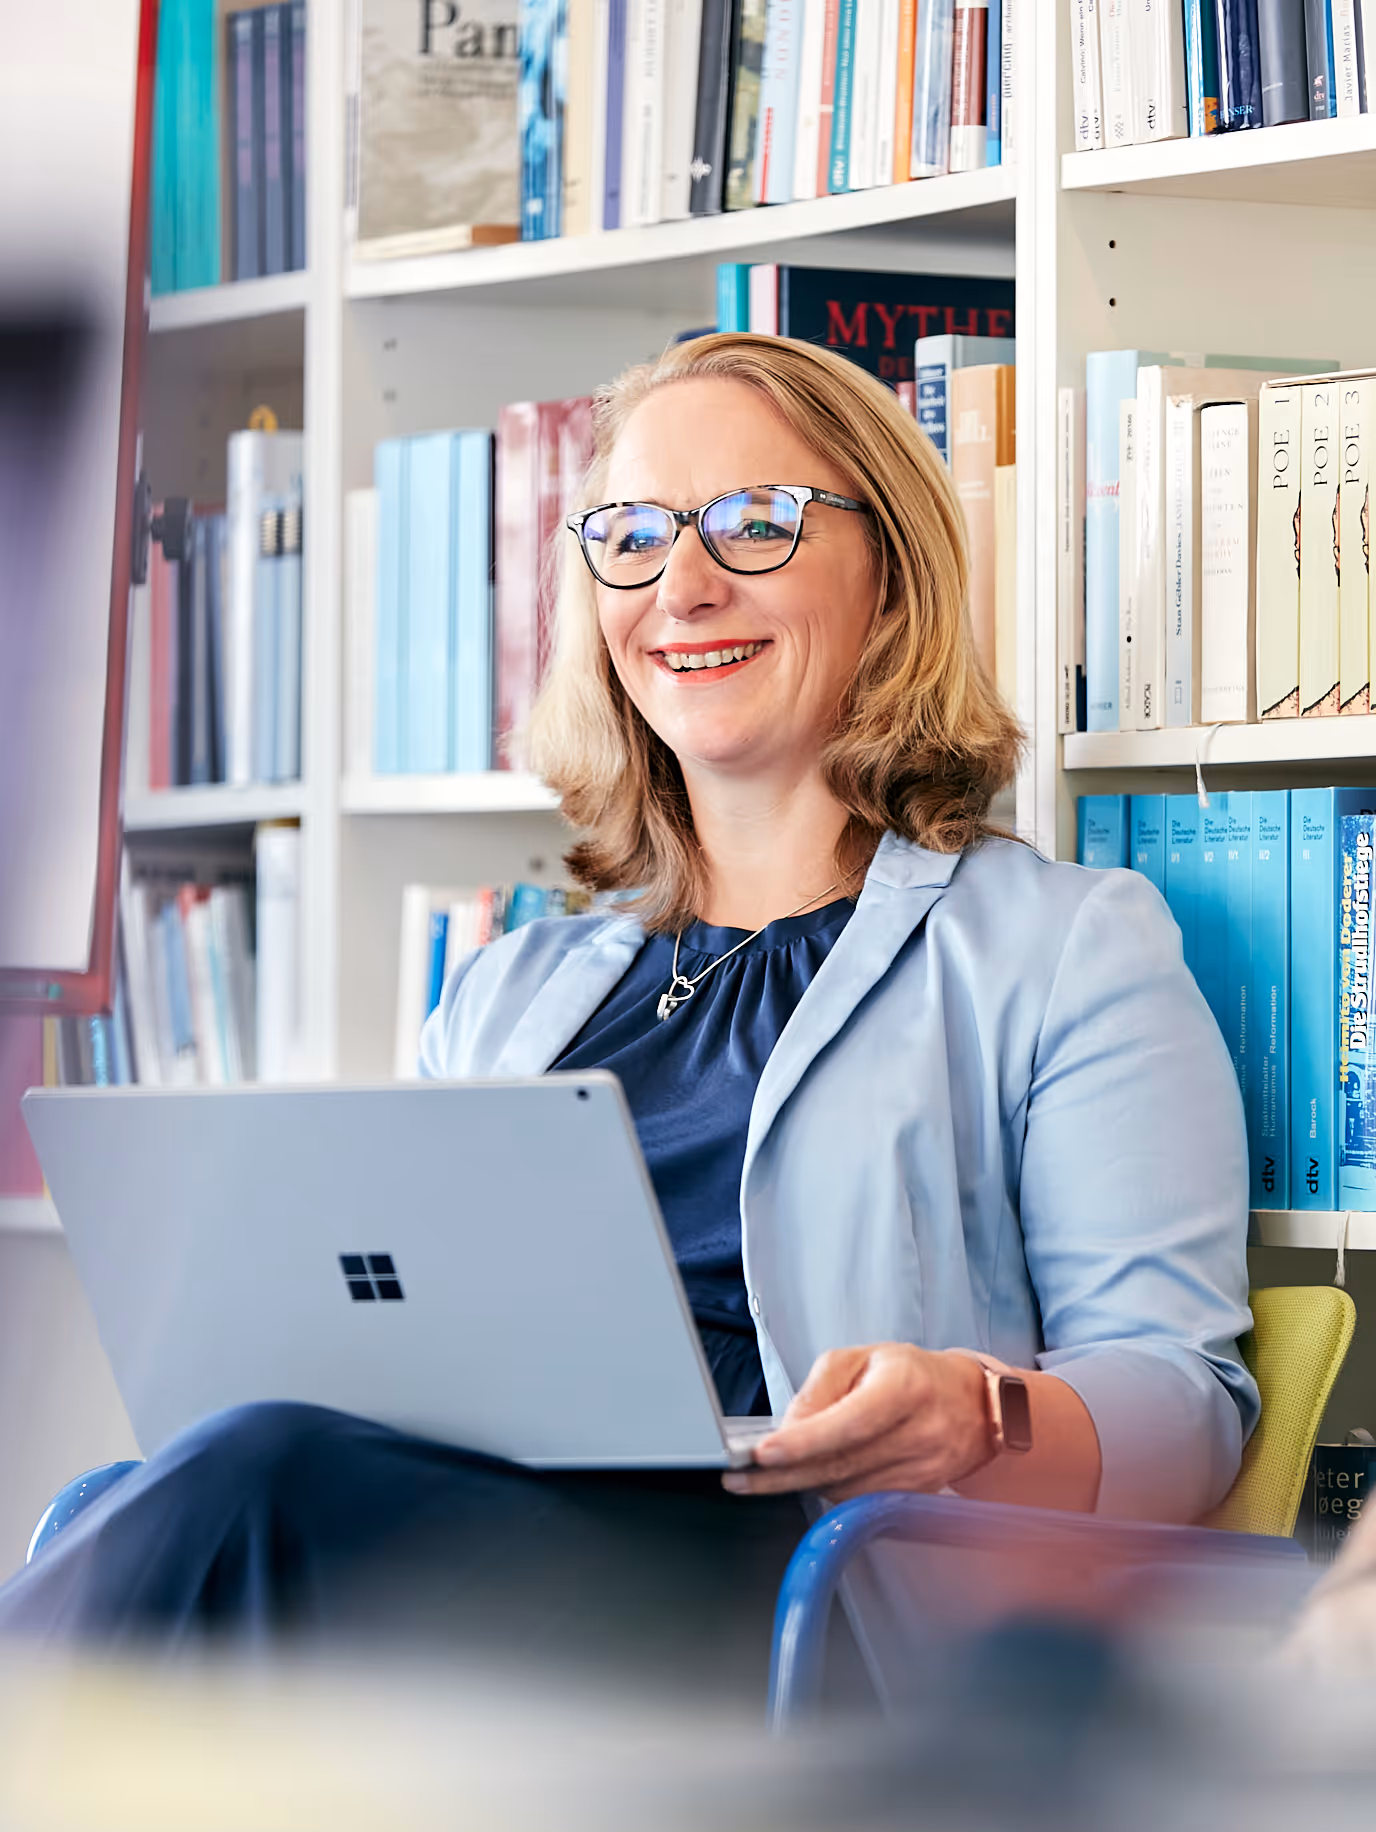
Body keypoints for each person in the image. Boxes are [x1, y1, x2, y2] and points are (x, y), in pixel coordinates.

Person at [0, 333, 1258, 1693]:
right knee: (209, 1480)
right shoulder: (507, 995)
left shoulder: (1062, 947)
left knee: (250, 1486)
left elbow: (1187, 1404)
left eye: (757, 524)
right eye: (634, 536)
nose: (684, 586)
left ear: (892, 575)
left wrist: (980, 1415)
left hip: (822, 1609)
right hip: (491, 1570)